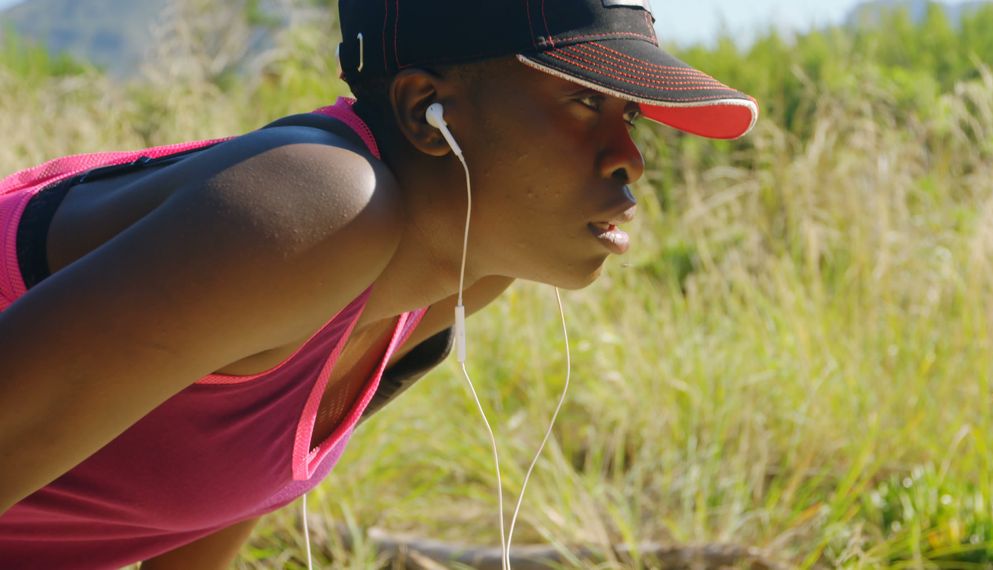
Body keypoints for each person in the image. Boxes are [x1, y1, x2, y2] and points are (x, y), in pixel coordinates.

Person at [0, 0, 757, 567]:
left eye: (632, 115)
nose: (631, 158)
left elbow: (202, 509)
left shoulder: (456, 280)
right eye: (585, 101)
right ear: (425, 111)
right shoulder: (317, 207)